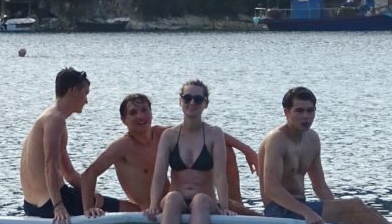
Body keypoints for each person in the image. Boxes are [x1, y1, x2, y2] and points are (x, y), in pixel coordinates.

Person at [80, 92, 259, 216]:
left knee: (227, 151)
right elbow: (90, 173)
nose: (140, 116)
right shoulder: (122, 146)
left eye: (144, 110)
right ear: (123, 120)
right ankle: (247, 214)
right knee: (239, 211)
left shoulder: (162, 134)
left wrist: (247, 150)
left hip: (181, 200)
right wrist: (87, 208)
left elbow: (206, 132)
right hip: (151, 208)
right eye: (133, 113)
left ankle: (238, 207)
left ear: (151, 113)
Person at [258, 86, 392, 224]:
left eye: (310, 111)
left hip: (302, 206)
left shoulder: (312, 139)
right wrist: (307, 213)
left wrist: (339, 212)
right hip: (279, 211)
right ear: (287, 112)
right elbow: (271, 188)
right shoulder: (276, 140)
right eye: (299, 111)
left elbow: (320, 187)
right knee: (356, 206)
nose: (305, 116)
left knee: (366, 211)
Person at [20, 67, 125, 224]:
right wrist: (58, 206)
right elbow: (51, 167)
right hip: (51, 203)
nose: (86, 100)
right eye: (85, 93)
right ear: (74, 90)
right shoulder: (55, 120)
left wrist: (90, 192)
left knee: (100, 199)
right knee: (129, 207)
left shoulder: (49, 118)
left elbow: (68, 173)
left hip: (31, 206)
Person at [144, 80, 236, 224]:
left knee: (200, 200)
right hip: (176, 199)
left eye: (198, 99)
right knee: (172, 198)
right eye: (187, 98)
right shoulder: (169, 135)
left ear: (205, 104)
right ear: (180, 101)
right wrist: (153, 205)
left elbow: (220, 175)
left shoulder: (214, 134)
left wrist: (224, 207)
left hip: (205, 200)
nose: (192, 102)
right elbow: (159, 174)